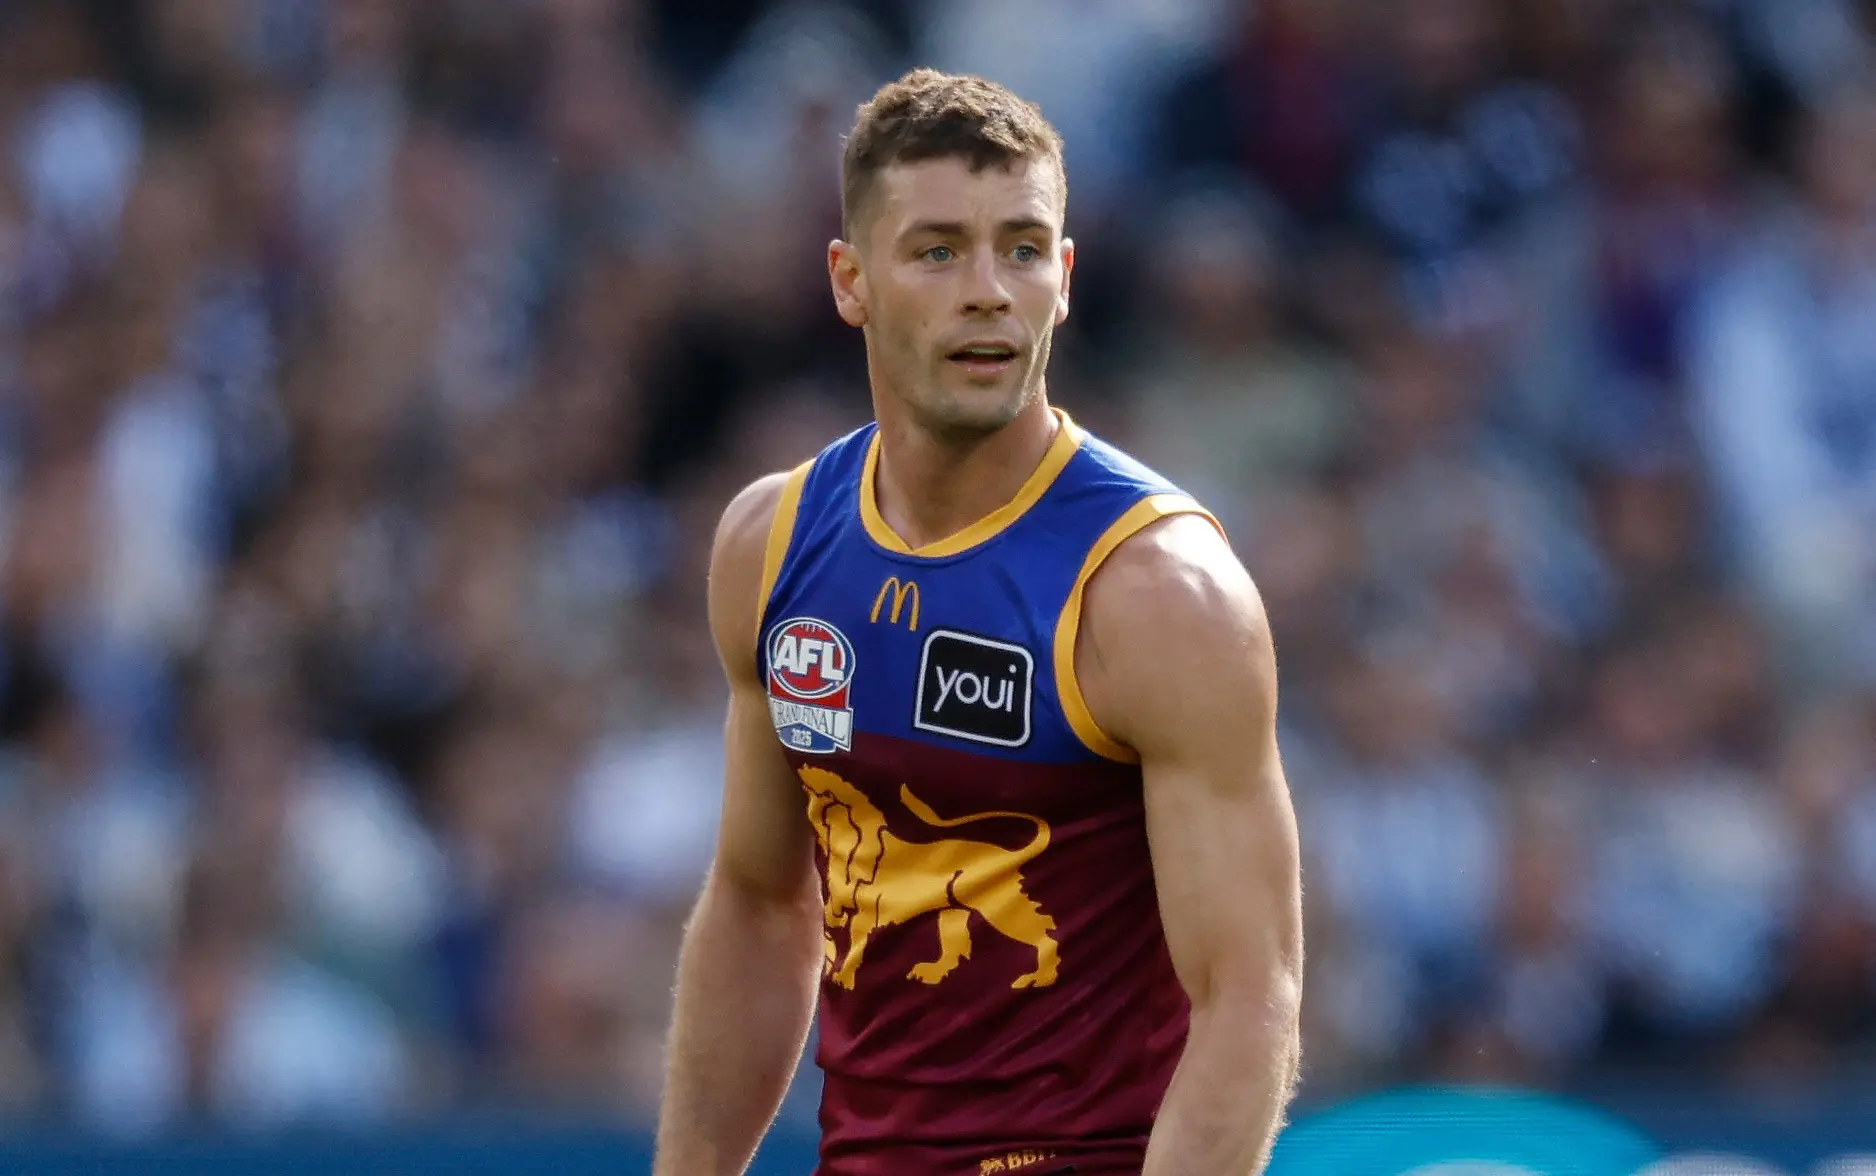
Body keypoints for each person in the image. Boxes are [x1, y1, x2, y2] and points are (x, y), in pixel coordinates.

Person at [653, 68, 1304, 1176]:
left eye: (1022, 246)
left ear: (1064, 277)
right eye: (939, 250)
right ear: (850, 282)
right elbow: (763, 907)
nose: (988, 290)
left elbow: (1248, 996)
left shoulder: (1157, 595)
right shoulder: (770, 544)